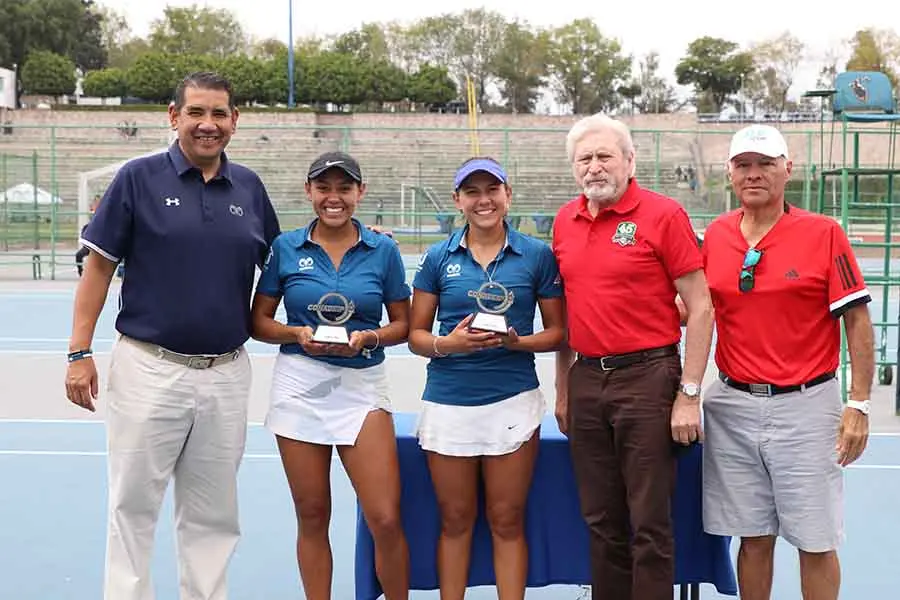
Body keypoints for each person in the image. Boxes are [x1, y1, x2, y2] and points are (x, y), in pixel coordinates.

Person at [63, 71, 281, 600]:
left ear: (234, 120)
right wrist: (78, 352)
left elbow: (288, 261)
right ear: (173, 116)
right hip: (149, 368)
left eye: (219, 114)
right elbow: (98, 269)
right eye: (197, 113)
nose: (208, 125)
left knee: (214, 516)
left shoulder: (249, 187)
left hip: (226, 374)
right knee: (133, 507)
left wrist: (359, 239)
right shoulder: (137, 179)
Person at [699, 124, 874, 600]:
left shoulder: (824, 234)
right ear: (730, 173)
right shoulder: (714, 236)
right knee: (752, 539)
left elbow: (856, 320)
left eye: (765, 164)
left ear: (787, 170)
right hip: (732, 405)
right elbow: (694, 311)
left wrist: (858, 403)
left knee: (815, 540)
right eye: (743, 165)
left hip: (806, 406)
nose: (753, 174)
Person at [551, 113, 714, 600]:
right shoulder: (565, 220)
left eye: (604, 156)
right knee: (601, 519)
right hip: (587, 380)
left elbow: (702, 306)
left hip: (648, 377)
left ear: (629, 160)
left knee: (648, 521)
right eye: (585, 159)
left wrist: (688, 393)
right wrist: (564, 390)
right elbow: (565, 317)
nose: (595, 167)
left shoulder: (662, 215)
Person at [250, 151, 411, 600]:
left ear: (360, 193)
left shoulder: (384, 249)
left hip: (362, 386)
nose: (334, 198)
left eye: (344, 188)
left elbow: (403, 323)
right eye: (324, 188)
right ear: (309, 192)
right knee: (313, 512)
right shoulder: (285, 247)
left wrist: (369, 339)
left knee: (384, 516)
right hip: (300, 383)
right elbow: (258, 322)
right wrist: (295, 333)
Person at [407, 156, 566, 599]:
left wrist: (517, 342)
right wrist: (449, 345)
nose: (484, 200)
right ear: (458, 200)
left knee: (506, 520)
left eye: (492, 190)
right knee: (455, 521)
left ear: (507, 196)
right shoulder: (438, 257)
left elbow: (559, 332)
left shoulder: (536, 255)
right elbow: (416, 336)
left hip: (512, 400)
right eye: (472, 192)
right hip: (448, 401)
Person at [75, 194, 100, 277]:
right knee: (79, 255)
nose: (95, 204)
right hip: (90, 243)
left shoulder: (103, 214)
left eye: (97, 202)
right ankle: (81, 273)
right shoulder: (92, 215)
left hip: (99, 244)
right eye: (94, 202)